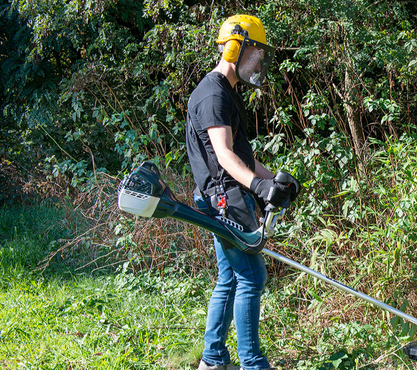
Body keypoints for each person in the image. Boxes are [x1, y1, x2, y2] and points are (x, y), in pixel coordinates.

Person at [185, 14, 298, 370]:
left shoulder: (226, 92)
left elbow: (244, 156)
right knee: (251, 275)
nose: (259, 62)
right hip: (224, 198)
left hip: (224, 192)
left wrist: (277, 180)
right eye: (257, 54)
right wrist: (259, 187)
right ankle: (253, 363)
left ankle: (213, 359)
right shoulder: (213, 95)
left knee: (231, 277)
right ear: (238, 47)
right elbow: (223, 155)